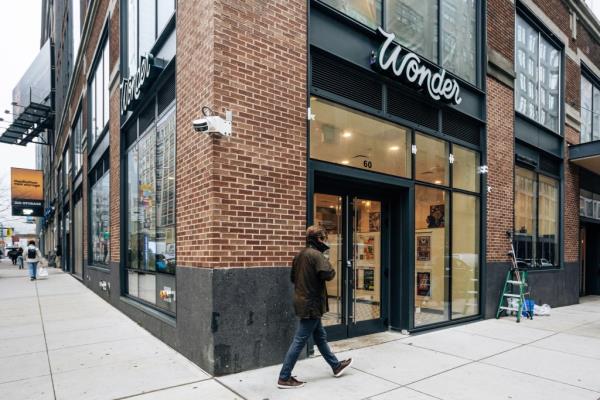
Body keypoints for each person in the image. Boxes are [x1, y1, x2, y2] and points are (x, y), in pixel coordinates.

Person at [277, 225, 352, 389]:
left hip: (303, 301)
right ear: (318, 239)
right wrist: (325, 257)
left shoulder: (299, 255)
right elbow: (328, 274)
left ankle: (335, 365)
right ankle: (284, 377)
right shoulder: (316, 255)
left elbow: (292, 278)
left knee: (320, 336)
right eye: (323, 238)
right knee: (299, 340)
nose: (325, 240)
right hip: (311, 304)